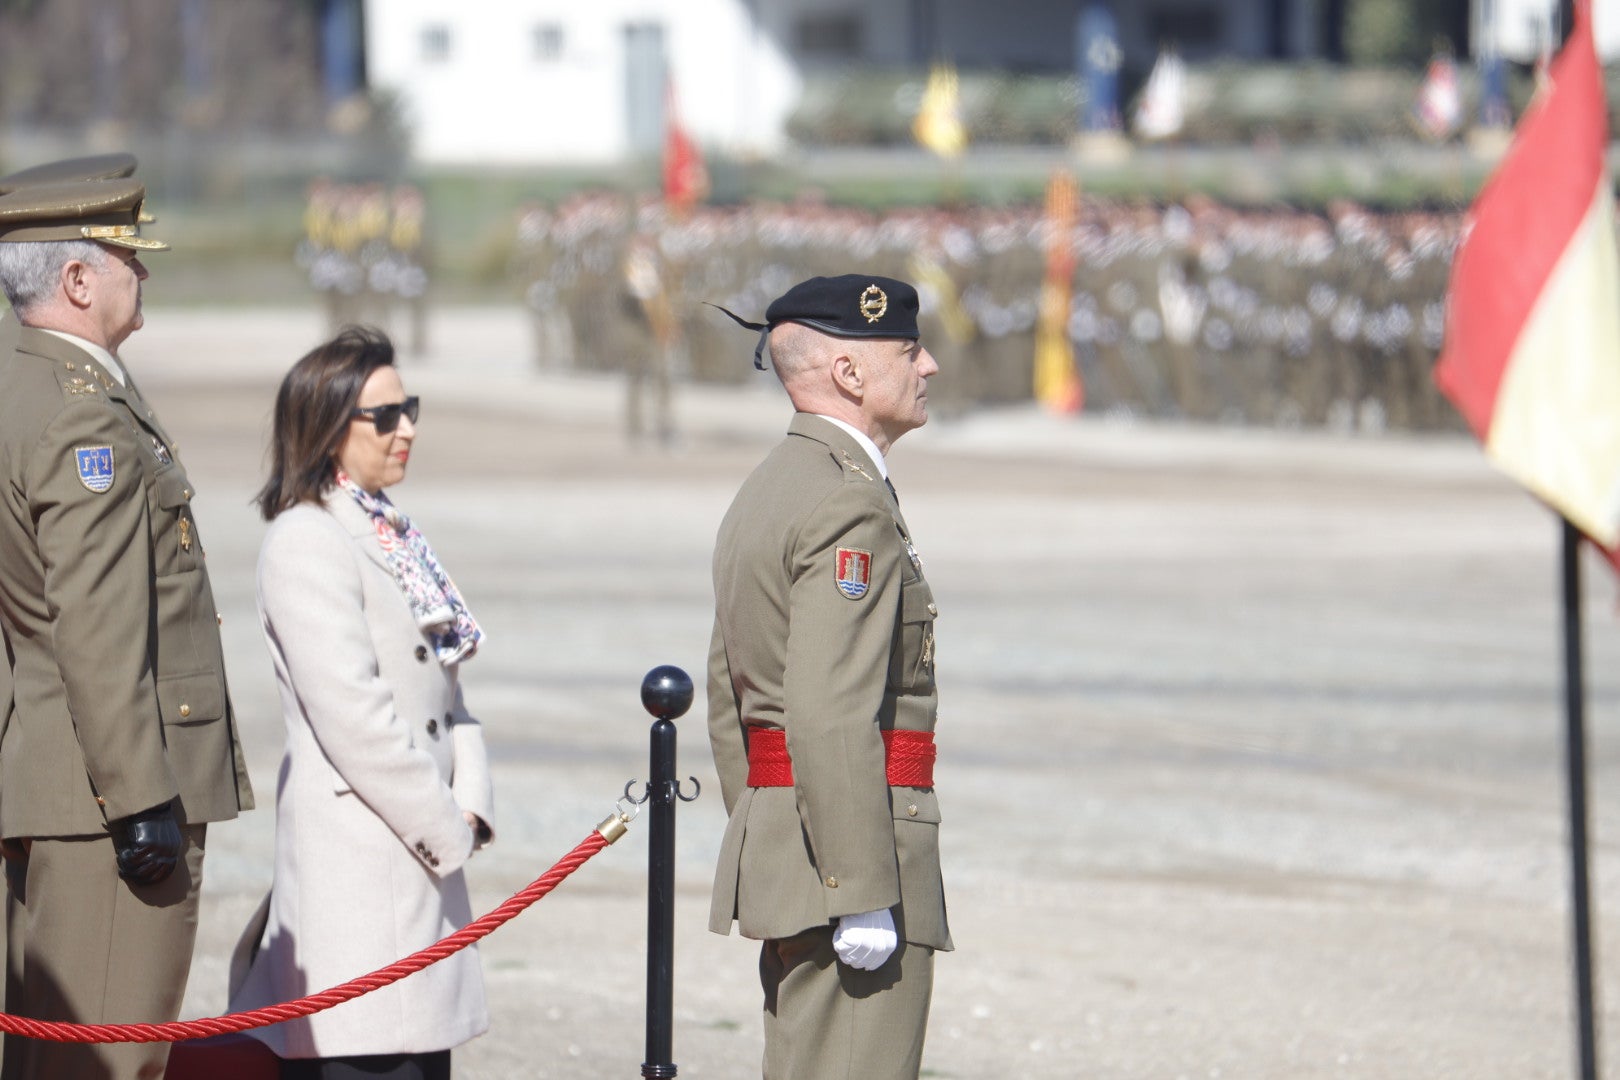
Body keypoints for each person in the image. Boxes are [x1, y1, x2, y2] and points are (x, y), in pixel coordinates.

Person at [0, 177, 255, 1080]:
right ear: (77, 280)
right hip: (105, 800)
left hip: (54, 777)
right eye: (126, 258)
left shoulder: (27, 381)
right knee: (108, 1060)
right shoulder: (81, 413)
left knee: (53, 1058)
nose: (142, 273)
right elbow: (98, 627)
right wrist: (141, 802)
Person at [228, 326, 494, 1080]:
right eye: (384, 416)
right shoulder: (307, 540)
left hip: (419, 852)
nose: (406, 428)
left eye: (409, 408)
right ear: (328, 427)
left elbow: (447, 687)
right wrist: (445, 825)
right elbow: (355, 718)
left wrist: (472, 802)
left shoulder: (390, 530)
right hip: (362, 863)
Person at [706, 274, 951, 1080]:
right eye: (909, 351)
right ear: (849, 373)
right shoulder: (848, 503)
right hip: (853, 855)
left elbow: (729, 694)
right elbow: (830, 708)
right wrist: (859, 884)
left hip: (799, 845)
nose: (929, 366)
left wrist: (770, 829)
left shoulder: (771, 486)